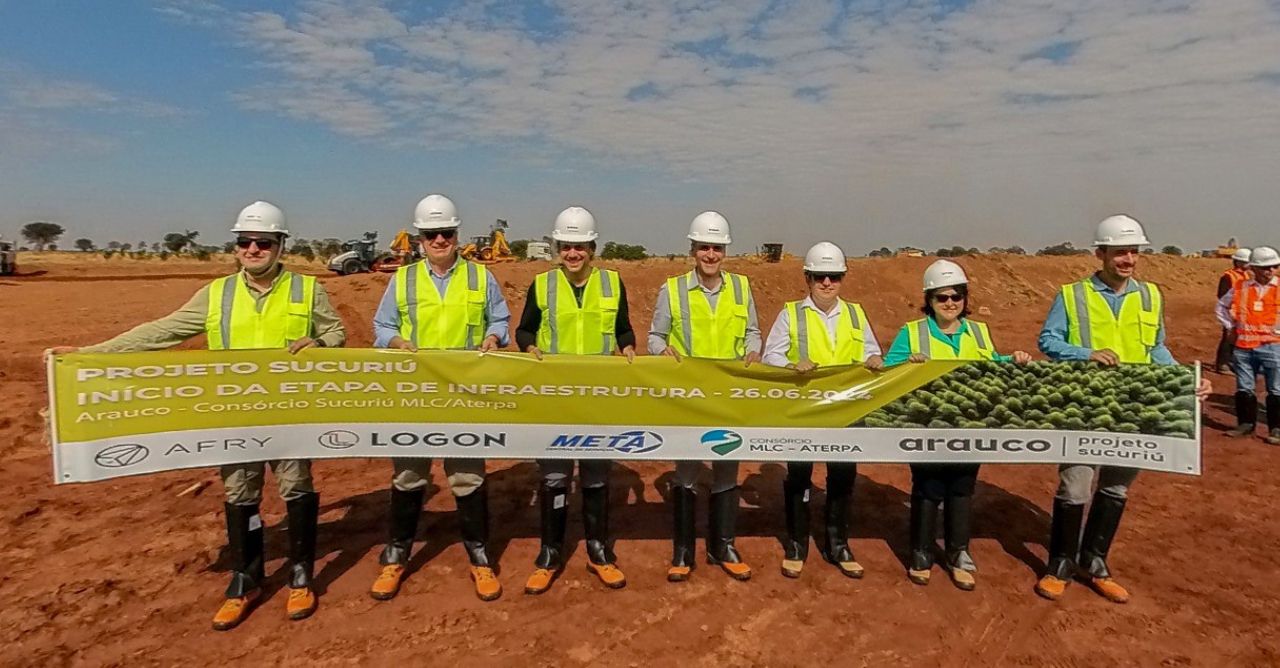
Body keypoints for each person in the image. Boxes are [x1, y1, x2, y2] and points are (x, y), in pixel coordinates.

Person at [46, 201, 346, 630]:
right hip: (232, 413)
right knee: (241, 490)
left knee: (296, 484)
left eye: (263, 242)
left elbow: (336, 331)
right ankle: (247, 579)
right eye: (245, 242)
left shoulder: (307, 289)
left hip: (288, 412)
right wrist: (91, 354)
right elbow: (162, 330)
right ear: (237, 246)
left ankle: (300, 574)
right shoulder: (217, 293)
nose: (253, 249)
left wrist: (321, 345)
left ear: (281, 245)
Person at [1035, 214, 1210, 603]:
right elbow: (1047, 341)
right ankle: (1060, 563)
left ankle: (1095, 560)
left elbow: (1156, 348)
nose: (1127, 259)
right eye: (1119, 252)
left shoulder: (1151, 296)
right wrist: (1085, 354)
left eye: (1133, 251)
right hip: (1083, 405)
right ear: (1100, 254)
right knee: (1075, 484)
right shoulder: (1071, 295)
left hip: (1134, 408)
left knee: (1116, 485)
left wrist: (1184, 380)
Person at [367, 194, 511, 602]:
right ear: (420, 238)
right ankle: (396, 554)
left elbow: (500, 317)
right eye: (432, 234)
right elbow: (381, 326)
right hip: (416, 396)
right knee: (409, 475)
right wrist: (395, 341)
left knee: (468, 476)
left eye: (446, 233)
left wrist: (494, 335)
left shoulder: (481, 278)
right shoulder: (404, 278)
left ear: (457, 235)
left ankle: (479, 557)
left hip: (465, 396)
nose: (440, 239)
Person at [883, 259, 1032, 591]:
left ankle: (957, 553)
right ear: (929, 300)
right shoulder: (913, 332)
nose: (950, 304)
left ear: (965, 298)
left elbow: (991, 363)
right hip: (927, 424)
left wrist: (1014, 360)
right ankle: (920, 552)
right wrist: (907, 363)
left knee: (962, 487)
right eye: (941, 297)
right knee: (927, 485)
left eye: (956, 297)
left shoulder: (977, 331)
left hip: (968, 425)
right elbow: (888, 368)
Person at [516, 206, 637, 593]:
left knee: (596, 476)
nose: (573, 253)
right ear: (557, 247)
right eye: (566, 246)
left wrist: (628, 346)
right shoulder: (542, 285)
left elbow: (623, 329)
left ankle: (599, 551)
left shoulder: (613, 284)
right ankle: (550, 553)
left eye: (580, 246)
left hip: (598, 400)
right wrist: (530, 346)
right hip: (556, 399)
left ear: (592, 248)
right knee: (554, 476)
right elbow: (524, 330)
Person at [649, 211, 761, 582]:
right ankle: (683, 551)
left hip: (728, 397)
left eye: (717, 248)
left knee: (727, 470)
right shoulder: (673, 289)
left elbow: (754, 333)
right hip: (689, 398)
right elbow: (656, 337)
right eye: (704, 247)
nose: (710, 254)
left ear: (725, 251)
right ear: (693, 250)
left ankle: (723, 545)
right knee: (687, 472)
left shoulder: (742, 288)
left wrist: (753, 349)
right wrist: (661, 352)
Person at [762, 241, 884, 579]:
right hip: (805, 410)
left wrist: (874, 361)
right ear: (807, 278)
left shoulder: (856, 313)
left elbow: (870, 353)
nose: (827, 284)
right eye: (820, 277)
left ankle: (837, 543)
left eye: (834, 277)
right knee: (800, 475)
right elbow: (771, 354)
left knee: (842, 477)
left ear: (843, 277)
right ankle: (798, 544)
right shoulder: (791, 314)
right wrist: (791, 365)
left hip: (846, 410)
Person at [1215, 245, 1280, 444]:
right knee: (1244, 388)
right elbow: (1221, 307)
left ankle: (1276, 429)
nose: (1270, 271)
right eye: (1265, 267)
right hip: (1244, 346)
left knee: (1276, 389)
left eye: (1274, 267)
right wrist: (1230, 327)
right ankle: (1245, 424)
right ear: (1253, 268)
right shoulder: (1241, 287)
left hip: (1273, 346)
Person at [1215, 248, 1251, 374]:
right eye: (1247, 262)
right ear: (1239, 262)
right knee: (1227, 337)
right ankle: (1222, 364)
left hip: (1241, 312)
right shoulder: (1228, 276)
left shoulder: (1245, 275)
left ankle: (1231, 362)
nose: (1249, 265)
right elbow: (1222, 295)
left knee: (1237, 339)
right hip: (1230, 313)